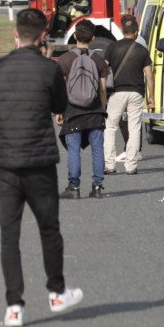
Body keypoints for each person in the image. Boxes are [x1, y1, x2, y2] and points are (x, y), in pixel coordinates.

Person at [0, 8, 82, 327]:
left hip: (5, 165)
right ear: (42, 38)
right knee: (48, 228)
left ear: (15, 34)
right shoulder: (48, 69)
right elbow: (60, 106)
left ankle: (14, 307)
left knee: (9, 234)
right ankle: (56, 292)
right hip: (39, 162)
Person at [56, 20, 109, 199]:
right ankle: (97, 186)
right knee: (97, 149)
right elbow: (102, 89)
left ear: (75, 36)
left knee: (73, 149)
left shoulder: (64, 59)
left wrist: (59, 111)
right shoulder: (99, 59)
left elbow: (61, 89)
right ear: (93, 38)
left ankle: (74, 188)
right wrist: (102, 109)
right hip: (94, 111)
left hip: (73, 111)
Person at [103, 16, 154, 174]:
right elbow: (149, 75)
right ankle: (131, 166)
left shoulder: (112, 47)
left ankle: (110, 166)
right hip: (136, 92)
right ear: (136, 32)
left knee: (110, 127)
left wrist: (103, 95)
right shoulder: (142, 50)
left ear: (122, 31)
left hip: (117, 92)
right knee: (134, 128)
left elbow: (103, 71)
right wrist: (151, 96)